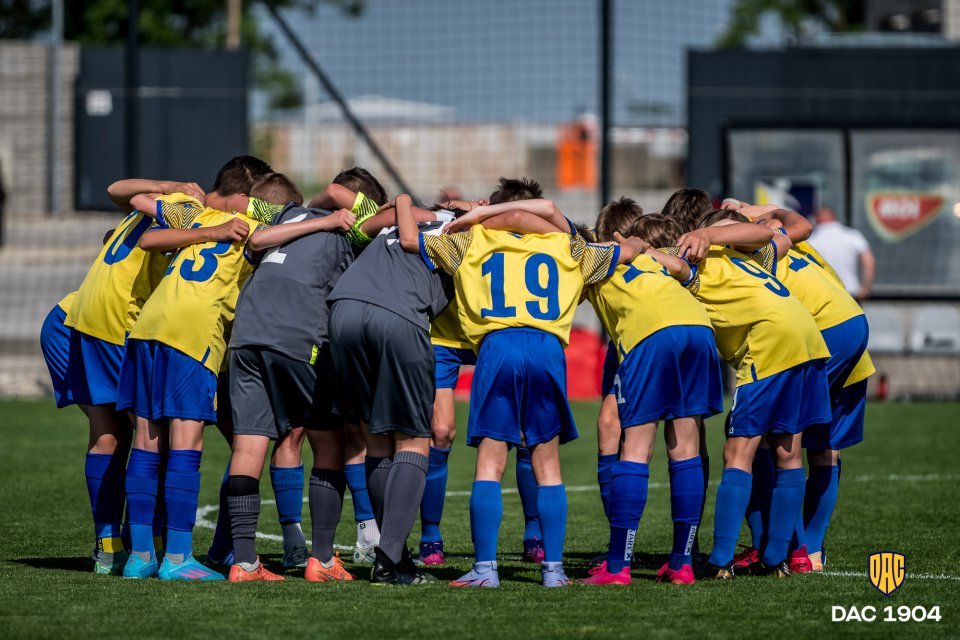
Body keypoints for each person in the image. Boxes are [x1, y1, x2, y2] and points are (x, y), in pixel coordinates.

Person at [403, 191, 636, 588]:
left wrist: (447, 211)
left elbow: (412, 240)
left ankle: (485, 570)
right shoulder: (570, 246)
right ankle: (554, 571)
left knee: (490, 463)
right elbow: (627, 250)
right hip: (548, 349)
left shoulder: (469, 240)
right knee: (548, 464)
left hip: (499, 346)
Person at [62, 163, 260, 575]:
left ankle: (131, 552)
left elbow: (125, 194)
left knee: (131, 437)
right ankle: (174, 556)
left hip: (89, 319)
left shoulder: (178, 203)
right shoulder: (207, 213)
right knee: (176, 442)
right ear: (244, 199)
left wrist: (166, 187)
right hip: (138, 327)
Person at [116, 170, 291, 581]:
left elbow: (145, 233)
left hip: (147, 327)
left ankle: (140, 556)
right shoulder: (255, 228)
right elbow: (281, 227)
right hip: (192, 334)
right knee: (186, 441)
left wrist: (205, 228)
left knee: (145, 440)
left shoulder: (201, 215)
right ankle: (177, 558)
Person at [644, 211, 831, 578]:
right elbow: (765, 233)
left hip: (769, 342)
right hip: (807, 337)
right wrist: (711, 234)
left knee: (738, 453)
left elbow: (675, 266)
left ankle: (719, 561)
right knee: (788, 452)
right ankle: (776, 560)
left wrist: (641, 251)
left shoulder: (688, 256)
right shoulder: (737, 254)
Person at [724, 199, 875, 573]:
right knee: (825, 449)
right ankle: (811, 552)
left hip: (821, 335)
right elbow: (796, 221)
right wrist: (763, 209)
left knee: (769, 436)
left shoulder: (749, 254)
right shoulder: (796, 237)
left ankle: (783, 549)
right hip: (853, 325)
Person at [224, 174, 358, 583]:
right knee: (328, 441)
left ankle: (244, 563)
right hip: (295, 335)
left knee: (248, 445)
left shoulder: (280, 218)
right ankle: (323, 559)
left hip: (245, 335)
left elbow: (247, 229)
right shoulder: (344, 230)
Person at [581, 211, 724, 587]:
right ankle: (682, 564)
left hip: (650, 333)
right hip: (698, 328)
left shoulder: (592, 260)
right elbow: (684, 270)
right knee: (686, 448)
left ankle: (617, 566)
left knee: (636, 449)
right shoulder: (650, 257)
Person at [808, 207, 875, 301]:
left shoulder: (811, 240)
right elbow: (869, 262)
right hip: (851, 291)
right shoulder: (853, 235)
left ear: (816, 219)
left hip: (825, 294)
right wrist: (865, 288)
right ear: (833, 217)